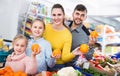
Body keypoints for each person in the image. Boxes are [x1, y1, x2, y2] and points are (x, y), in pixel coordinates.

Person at [43, 4, 80, 71]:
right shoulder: (46, 27)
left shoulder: (67, 34)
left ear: (63, 15)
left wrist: (73, 53)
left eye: (59, 15)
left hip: (57, 66)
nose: (56, 17)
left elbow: (64, 58)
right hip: (43, 62)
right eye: (54, 15)